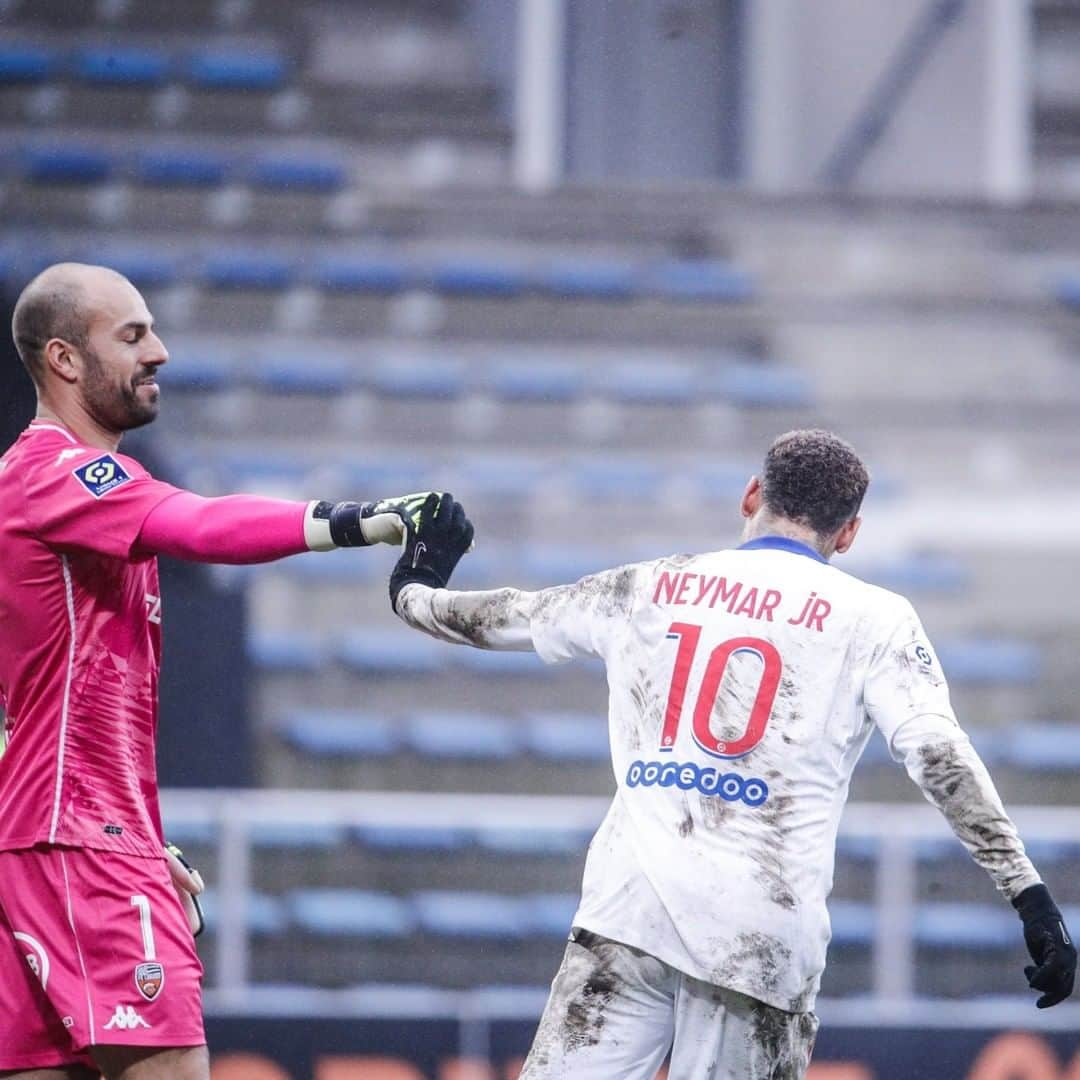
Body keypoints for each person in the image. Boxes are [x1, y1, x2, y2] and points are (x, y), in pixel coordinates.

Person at [388, 432, 1077, 1080]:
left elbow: (503, 616)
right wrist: (1029, 895)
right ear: (848, 533)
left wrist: (415, 587)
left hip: (629, 917)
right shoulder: (875, 619)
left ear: (752, 495)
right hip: (760, 942)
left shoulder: (650, 586)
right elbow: (938, 755)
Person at [0, 263, 435, 1080]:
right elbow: (199, 524)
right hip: (80, 850)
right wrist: (361, 521)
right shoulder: (59, 474)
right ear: (62, 359)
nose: (158, 351)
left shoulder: (36, 490)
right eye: (130, 336)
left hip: (54, 840)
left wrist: (122, 832)